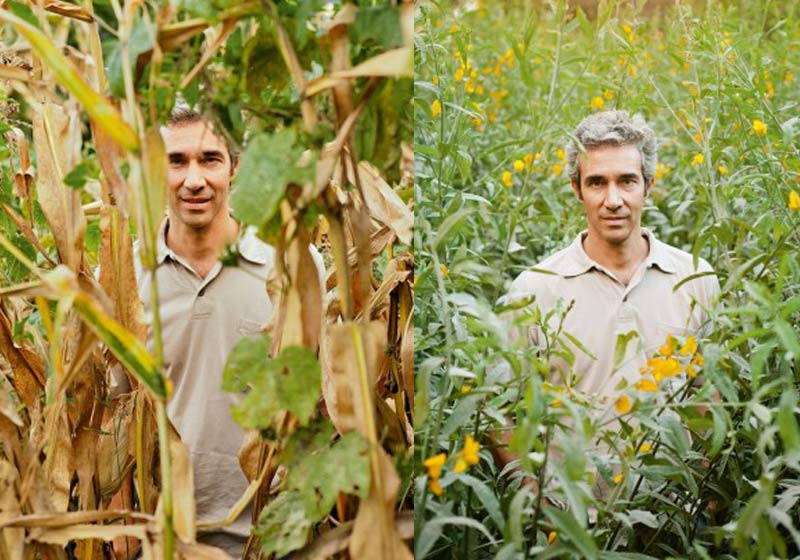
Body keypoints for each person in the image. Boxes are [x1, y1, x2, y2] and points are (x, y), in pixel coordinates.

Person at [111, 107, 322, 557]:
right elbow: (114, 411)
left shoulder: (291, 266)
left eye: (209, 159)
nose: (194, 180)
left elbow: (323, 401)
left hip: (270, 538)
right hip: (165, 537)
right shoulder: (125, 277)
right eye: (177, 161)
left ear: (234, 167)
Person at [497, 110, 719, 466]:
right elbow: (497, 410)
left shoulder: (696, 279)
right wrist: (531, 490)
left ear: (649, 185)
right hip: (570, 500)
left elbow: (708, 395)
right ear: (577, 190)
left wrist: (704, 487)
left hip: (673, 499)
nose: (613, 200)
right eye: (597, 183)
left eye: (627, 181)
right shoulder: (533, 290)